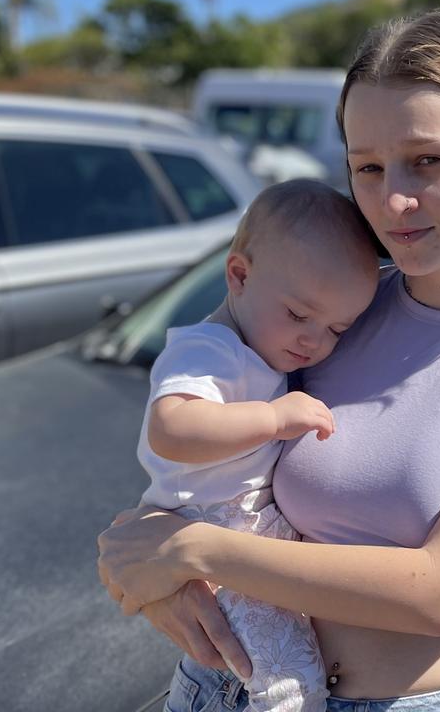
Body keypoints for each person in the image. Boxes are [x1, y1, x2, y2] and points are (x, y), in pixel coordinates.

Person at [98, 9, 440, 712]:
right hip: (216, 691)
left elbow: (438, 592)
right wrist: (142, 559)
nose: (393, 200)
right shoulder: (334, 306)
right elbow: (194, 429)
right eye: (367, 168)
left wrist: (193, 553)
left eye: (427, 161)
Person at [133, 178, 378, 712]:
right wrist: (270, 417)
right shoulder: (209, 348)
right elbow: (171, 428)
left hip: (239, 524)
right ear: (239, 275)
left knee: (283, 657)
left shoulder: (265, 349)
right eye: (298, 315)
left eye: (337, 328)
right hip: (214, 523)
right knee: (282, 677)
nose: (314, 341)